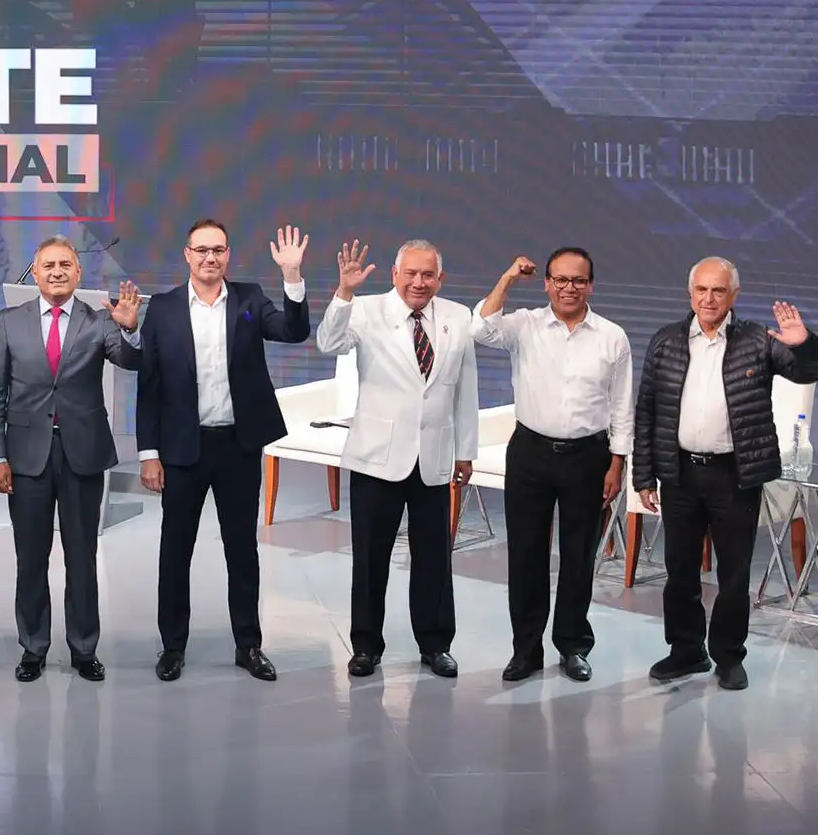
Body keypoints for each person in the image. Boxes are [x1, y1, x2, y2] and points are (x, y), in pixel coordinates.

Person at [633, 257, 818, 691]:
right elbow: (647, 411)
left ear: (734, 295)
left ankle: (729, 656)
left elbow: (808, 371)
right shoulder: (665, 341)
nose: (709, 298)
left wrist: (805, 343)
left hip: (734, 475)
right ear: (690, 293)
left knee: (733, 574)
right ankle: (686, 651)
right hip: (680, 474)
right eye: (701, 289)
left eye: (719, 290)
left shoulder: (757, 340)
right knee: (680, 569)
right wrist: (644, 476)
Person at [138, 221, 311, 683]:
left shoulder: (250, 300)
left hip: (238, 446)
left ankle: (248, 645)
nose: (209, 258)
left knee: (242, 550)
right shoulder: (164, 308)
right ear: (187, 255)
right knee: (175, 551)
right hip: (182, 449)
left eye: (218, 250)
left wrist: (291, 276)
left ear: (228, 255)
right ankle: (173, 647)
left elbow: (292, 330)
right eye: (202, 250)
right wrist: (149, 453)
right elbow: (149, 384)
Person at [316, 239, 478, 679]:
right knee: (371, 560)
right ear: (394, 274)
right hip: (377, 458)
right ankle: (366, 647)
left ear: (440, 279)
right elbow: (328, 342)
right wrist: (344, 292)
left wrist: (466, 450)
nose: (419, 282)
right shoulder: (365, 310)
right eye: (411, 273)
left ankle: (436, 645)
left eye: (428, 275)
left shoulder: (458, 317)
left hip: (433, 457)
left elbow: (465, 389)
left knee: (434, 559)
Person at [0, 235, 141, 682]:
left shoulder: (100, 320)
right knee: (31, 558)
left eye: (65, 265)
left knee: (82, 557)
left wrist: (130, 330)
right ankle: (33, 647)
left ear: (78, 272)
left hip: (82, 455)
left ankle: (84, 648)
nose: (57, 272)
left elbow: (131, 361)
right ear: (35, 273)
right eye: (48, 265)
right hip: (26, 457)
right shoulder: (10, 322)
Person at [473, 250, 633, 683]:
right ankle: (525, 651)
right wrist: (508, 277)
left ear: (591, 285)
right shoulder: (524, 325)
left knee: (579, 557)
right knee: (526, 555)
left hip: (589, 457)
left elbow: (622, 405)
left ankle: (573, 646)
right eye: (560, 279)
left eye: (578, 280)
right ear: (546, 283)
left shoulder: (612, 337)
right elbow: (480, 327)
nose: (568, 288)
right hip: (531, 453)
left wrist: (617, 462)